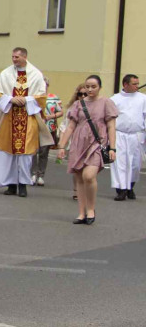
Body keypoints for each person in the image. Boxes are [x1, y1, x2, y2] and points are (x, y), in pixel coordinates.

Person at [0, 47, 52, 197]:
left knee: (25, 155)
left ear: (24, 57)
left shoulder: (36, 74)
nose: (14, 59)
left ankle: (22, 185)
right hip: (9, 117)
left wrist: (26, 99)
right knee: (8, 154)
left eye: (16, 57)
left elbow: (41, 97)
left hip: (28, 118)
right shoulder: (6, 73)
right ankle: (10, 185)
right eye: (13, 57)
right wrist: (10, 99)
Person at [57, 75, 118, 224]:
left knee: (89, 176)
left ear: (99, 87)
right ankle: (81, 213)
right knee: (79, 177)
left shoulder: (106, 103)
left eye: (93, 86)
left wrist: (112, 148)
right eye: (87, 86)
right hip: (79, 143)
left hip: (97, 143)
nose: (90, 89)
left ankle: (91, 209)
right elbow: (71, 126)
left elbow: (111, 126)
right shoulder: (78, 105)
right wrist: (62, 146)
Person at [110, 74, 146, 200]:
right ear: (125, 84)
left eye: (137, 83)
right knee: (120, 162)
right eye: (134, 84)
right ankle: (121, 189)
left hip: (137, 134)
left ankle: (130, 186)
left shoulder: (143, 98)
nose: (137, 86)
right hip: (119, 134)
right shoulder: (115, 99)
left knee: (135, 164)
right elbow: (110, 118)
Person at [31, 78, 63, 187]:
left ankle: (41, 175)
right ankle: (33, 174)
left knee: (44, 153)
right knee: (33, 151)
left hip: (49, 128)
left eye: (45, 84)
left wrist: (51, 116)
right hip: (35, 127)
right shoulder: (33, 97)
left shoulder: (54, 98)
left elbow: (61, 112)